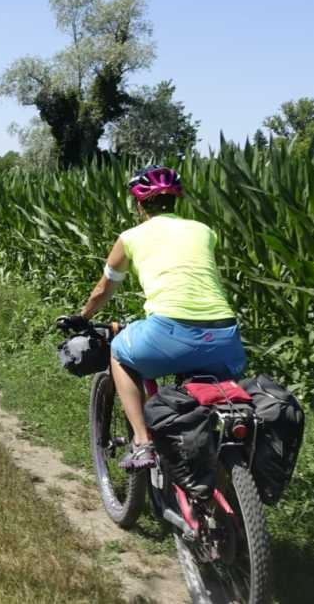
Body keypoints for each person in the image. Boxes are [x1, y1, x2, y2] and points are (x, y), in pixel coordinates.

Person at [78, 166, 245, 471]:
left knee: (119, 352)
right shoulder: (205, 231)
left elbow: (103, 290)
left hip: (168, 332)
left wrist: (83, 317)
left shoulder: (130, 238)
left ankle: (142, 442)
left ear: (139, 205)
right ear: (175, 201)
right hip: (226, 338)